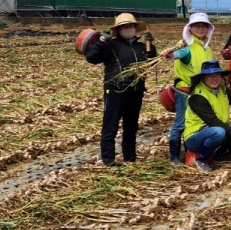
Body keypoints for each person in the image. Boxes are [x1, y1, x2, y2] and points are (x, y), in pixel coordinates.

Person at [85, 13, 157, 166]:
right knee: (110, 126)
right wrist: (102, 40)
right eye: (124, 26)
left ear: (135, 28)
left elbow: (151, 61)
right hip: (115, 90)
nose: (128, 28)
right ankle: (108, 160)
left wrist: (151, 45)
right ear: (118, 29)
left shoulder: (141, 46)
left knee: (131, 126)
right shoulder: (111, 45)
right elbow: (92, 57)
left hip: (136, 90)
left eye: (130, 25)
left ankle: (130, 158)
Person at [164, 12, 215, 167]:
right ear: (190, 28)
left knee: (194, 123)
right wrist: (169, 53)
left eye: (203, 26)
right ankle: (174, 157)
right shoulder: (187, 47)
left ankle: (189, 151)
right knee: (180, 123)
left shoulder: (206, 48)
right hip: (185, 91)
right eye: (196, 26)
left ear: (207, 29)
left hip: (199, 93)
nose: (200, 29)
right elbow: (175, 55)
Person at [183, 60, 231, 172]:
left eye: (217, 74)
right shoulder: (197, 96)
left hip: (216, 129)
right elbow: (213, 121)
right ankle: (201, 160)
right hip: (195, 137)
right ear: (203, 77)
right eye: (210, 75)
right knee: (219, 132)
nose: (215, 78)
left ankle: (221, 152)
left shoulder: (222, 89)